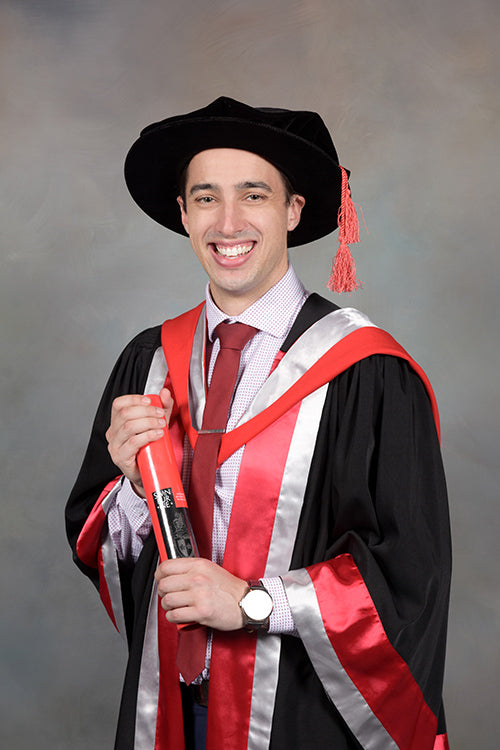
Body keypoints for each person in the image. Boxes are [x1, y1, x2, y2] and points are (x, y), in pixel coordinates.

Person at [66, 97, 451, 750]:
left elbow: (407, 576)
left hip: (300, 717)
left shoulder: (366, 374)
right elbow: (105, 547)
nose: (228, 222)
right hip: (170, 711)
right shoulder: (149, 360)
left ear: (293, 210)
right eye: (206, 198)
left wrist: (251, 603)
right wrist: (131, 484)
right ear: (183, 213)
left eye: (253, 195)